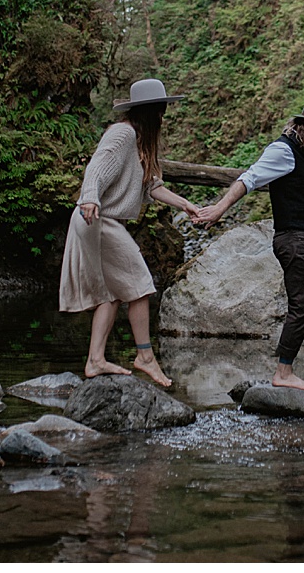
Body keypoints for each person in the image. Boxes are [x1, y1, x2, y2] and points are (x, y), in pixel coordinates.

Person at [195, 99, 304, 397]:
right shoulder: (283, 150)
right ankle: (283, 372)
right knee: (302, 308)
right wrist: (219, 208)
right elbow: (249, 178)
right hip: (295, 241)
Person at [59, 78, 200, 387]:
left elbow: (152, 186)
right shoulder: (123, 134)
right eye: (160, 110)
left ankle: (95, 360)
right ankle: (145, 356)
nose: (163, 117)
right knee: (140, 284)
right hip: (97, 218)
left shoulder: (140, 142)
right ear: (149, 112)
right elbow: (96, 168)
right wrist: (90, 197)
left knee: (112, 295)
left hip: (101, 219)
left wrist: (185, 205)